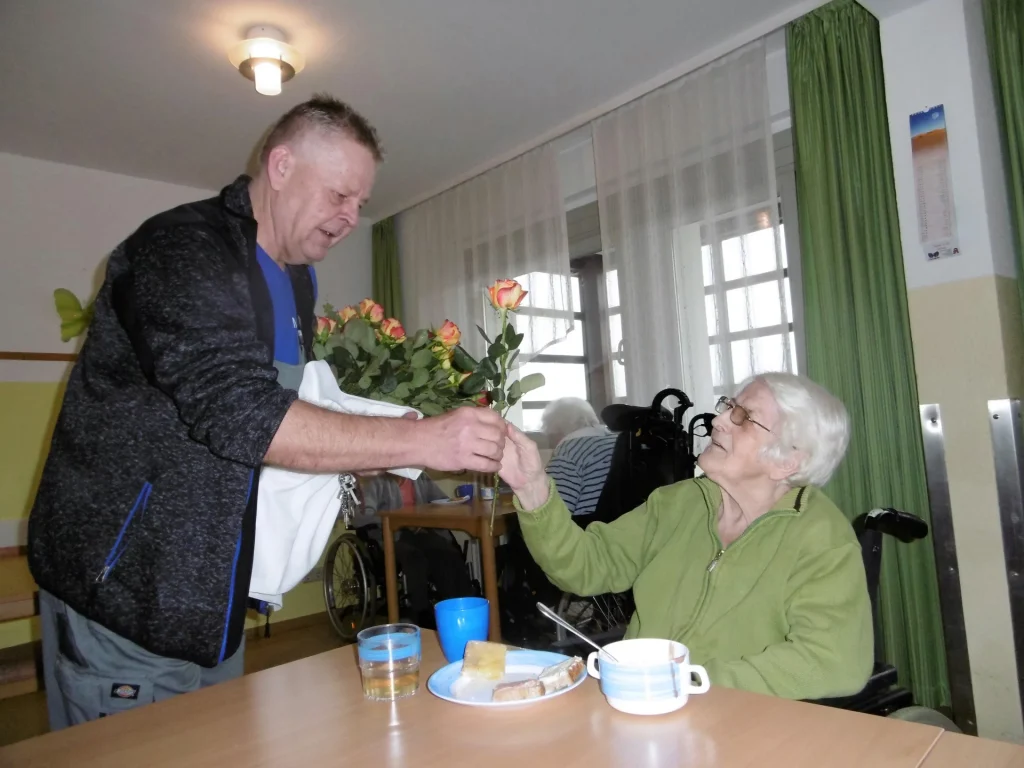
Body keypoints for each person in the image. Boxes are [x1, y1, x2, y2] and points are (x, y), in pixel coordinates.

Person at [28, 94, 506, 729]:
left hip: (212, 596)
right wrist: (422, 443)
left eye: (361, 203)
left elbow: (276, 418)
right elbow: (243, 414)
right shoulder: (182, 248)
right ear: (281, 166)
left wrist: (360, 451)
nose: (351, 216)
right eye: (340, 195)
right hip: (125, 590)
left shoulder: (296, 279)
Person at [498, 372, 874, 701]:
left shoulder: (820, 536)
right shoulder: (678, 503)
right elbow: (585, 567)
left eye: (744, 417)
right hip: (639, 704)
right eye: (729, 406)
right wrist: (532, 487)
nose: (719, 420)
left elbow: (833, 660)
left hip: (740, 724)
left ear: (787, 461)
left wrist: (690, 682)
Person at [357, 475, 474, 627]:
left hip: (419, 531)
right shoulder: (376, 481)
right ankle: (421, 611)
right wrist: (399, 520)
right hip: (390, 536)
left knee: (446, 552)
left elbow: (442, 500)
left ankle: (461, 605)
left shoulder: (420, 477)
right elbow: (362, 517)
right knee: (414, 557)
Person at [541, 398, 616, 518]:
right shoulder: (619, 440)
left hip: (587, 526)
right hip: (625, 524)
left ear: (556, 430)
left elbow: (554, 513)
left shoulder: (567, 452)